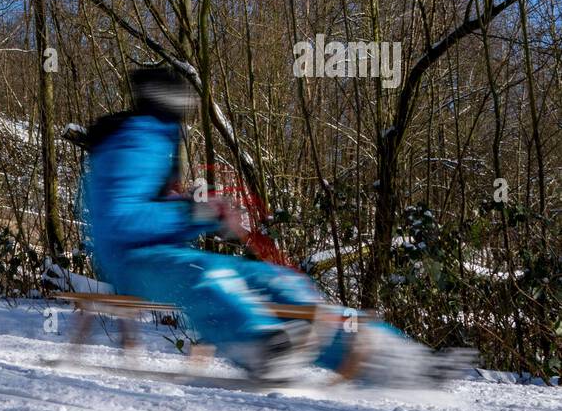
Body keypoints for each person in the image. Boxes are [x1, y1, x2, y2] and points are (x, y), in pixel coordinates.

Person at [79, 59, 441, 384]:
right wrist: (193, 213)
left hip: (162, 253)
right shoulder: (130, 140)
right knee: (205, 278)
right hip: (129, 263)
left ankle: (385, 354)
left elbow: (149, 206)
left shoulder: (154, 136)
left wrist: (199, 211)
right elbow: (121, 220)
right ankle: (260, 346)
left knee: (274, 279)